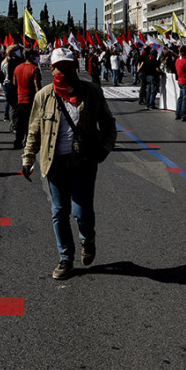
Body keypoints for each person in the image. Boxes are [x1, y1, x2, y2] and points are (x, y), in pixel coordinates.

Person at [21, 48, 116, 280]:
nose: (64, 70)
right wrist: (28, 158)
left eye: (68, 66)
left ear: (76, 66)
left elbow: (108, 124)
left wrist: (103, 150)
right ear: (51, 68)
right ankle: (65, 259)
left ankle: (88, 240)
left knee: (81, 212)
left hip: (83, 162)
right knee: (59, 212)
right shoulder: (43, 96)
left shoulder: (92, 92)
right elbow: (34, 130)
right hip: (54, 163)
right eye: (59, 67)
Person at [12, 49, 42, 149]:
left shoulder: (17, 68)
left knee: (20, 123)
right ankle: (29, 142)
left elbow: (14, 83)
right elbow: (37, 86)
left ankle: (18, 142)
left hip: (20, 99)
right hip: (31, 100)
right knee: (30, 123)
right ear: (31, 57)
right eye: (35, 55)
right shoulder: (35, 69)